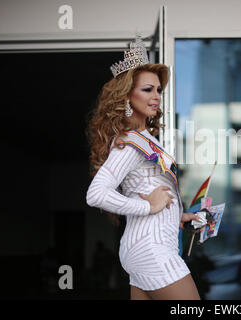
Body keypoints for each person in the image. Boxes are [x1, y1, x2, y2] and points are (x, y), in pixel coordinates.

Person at [86, 35, 203, 300]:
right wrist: (148, 207)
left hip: (143, 248)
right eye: (147, 89)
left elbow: (145, 186)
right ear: (127, 95)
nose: (156, 96)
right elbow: (96, 194)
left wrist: (178, 217)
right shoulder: (129, 141)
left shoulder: (145, 139)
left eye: (159, 90)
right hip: (153, 251)